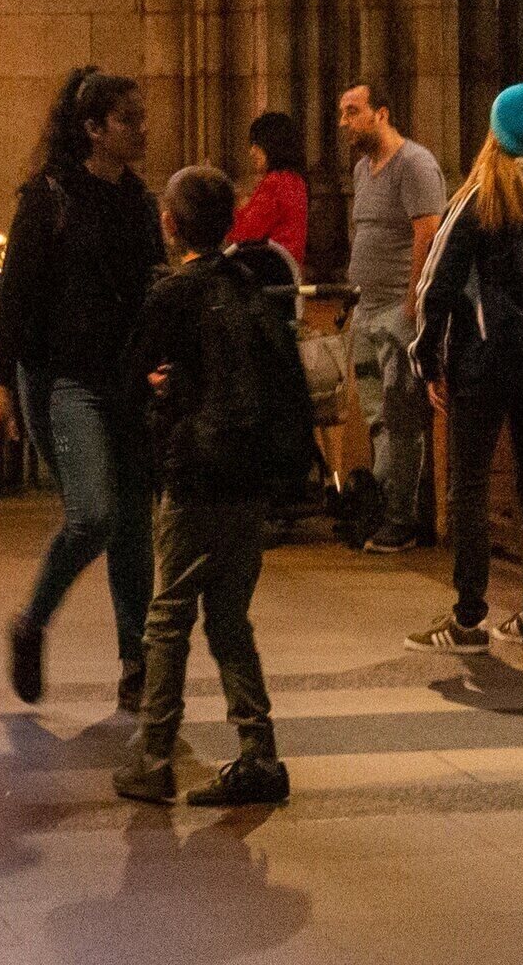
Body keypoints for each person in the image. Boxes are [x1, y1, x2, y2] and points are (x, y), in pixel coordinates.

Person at [114, 165, 306, 808]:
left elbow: (131, 374)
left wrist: (160, 395)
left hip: (196, 469)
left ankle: (154, 756)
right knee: (228, 616)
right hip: (250, 473)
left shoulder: (174, 292)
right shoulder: (252, 284)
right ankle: (259, 754)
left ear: (169, 224)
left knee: (167, 615)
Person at [0, 65, 165, 711]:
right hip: (64, 380)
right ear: (92, 129)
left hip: (130, 381)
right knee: (93, 516)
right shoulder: (50, 197)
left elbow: (151, 290)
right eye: (128, 121)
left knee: (135, 524)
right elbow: (16, 293)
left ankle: (136, 662)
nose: (141, 130)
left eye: (141, 119)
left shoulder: (140, 202)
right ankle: (32, 622)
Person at [406, 85, 523, 653]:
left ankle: (469, 619)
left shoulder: (482, 196)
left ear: (495, 132)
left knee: (470, 487)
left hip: (485, 358)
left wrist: (427, 358)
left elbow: (437, 282)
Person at [336, 82, 446, 551]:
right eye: (342, 113)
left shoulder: (415, 164)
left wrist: (412, 302)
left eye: (353, 111)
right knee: (378, 414)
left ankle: (403, 519)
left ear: (381, 113)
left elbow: (427, 233)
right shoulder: (363, 169)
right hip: (366, 308)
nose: (344, 122)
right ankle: (388, 506)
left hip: (398, 311)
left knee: (402, 414)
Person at [228, 111, 309, 315]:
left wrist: (229, 206)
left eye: (256, 144)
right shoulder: (295, 180)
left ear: (273, 144)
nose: (251, 152)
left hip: (267, 279)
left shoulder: (276, 182)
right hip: (284, 275)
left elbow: (243, 234)